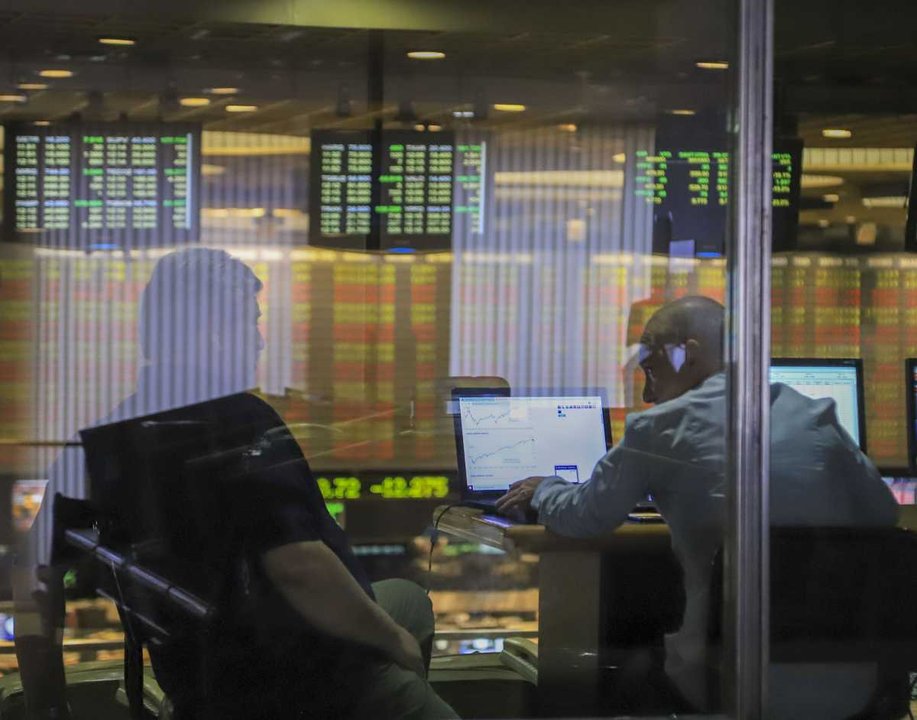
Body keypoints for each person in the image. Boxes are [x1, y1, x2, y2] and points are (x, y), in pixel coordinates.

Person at [14, 248, 457, 720]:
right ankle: (373, 694)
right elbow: (299, 568)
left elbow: (32, 576)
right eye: (250, 322)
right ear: (214, 334)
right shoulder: (243, 422)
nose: (259, 342)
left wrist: (47, 704)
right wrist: (394, 641)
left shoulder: (101, 442)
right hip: (295, 673)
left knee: (407, 599)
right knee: (403, 636)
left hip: (195, 678)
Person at [497, 295, 899, 718]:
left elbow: (585, 516)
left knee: (606, 669)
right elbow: (883, 515)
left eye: (651, 369)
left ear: (688, 354)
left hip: (724, 684)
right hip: (852, 688)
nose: (647, 393)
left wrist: (544, 489)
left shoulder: (657, 429)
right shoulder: (816, 415)